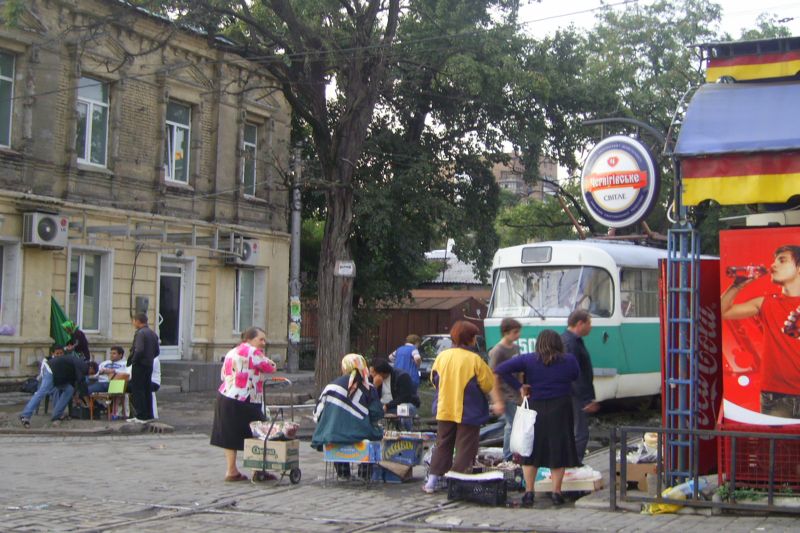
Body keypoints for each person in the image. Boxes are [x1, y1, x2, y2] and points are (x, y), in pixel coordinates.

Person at [493, 329, 580, 507]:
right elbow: (575, 376)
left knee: (530, 450)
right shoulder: (569, 359)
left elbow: (500, 370)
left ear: (538, 343)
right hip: (560, 408)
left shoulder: (528, 359)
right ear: (558, 343)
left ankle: (529, 493)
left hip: (535, 409)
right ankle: (556, 493)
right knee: (558, 450)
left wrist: (520, 386)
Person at [722, 245, 800, 418]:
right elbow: (721, 311)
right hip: (776, 394)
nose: (773, 265)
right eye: (774, 260)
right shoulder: (767, 303)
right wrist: (737, 286)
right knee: (775, 445)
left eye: (782, 260)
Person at [423, 321, 494, 494]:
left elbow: (433, 380)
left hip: (444, 407)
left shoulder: (442, 357)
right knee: (465, 447)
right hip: (468, 410)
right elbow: (487, 384)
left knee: (443, 444)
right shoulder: (475, 360)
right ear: (470, 339)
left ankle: (432, 481)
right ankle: (456, 481)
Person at [210, 327, 277, 482]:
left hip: (225, 396)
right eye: (261, 339)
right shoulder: (252, 352)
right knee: (256, 433)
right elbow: (271, 367)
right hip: (245, 398)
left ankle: (231, 470)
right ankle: (258, 470)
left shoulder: (231, 352)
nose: (263, 343)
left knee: (230, 434)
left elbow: (223, 374)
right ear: (249, 339)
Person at [312, 353, 384, 479]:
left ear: (344, 368)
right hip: (361, 434)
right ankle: (364, 474)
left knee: (336, 437)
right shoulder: (369, 388)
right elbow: (376, 414)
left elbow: (317, 413)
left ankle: (343, 473)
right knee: (376, 435)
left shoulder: (330, 387)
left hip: (332, 434)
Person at [561, 309, 600, 463]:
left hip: (573, 395)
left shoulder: (571, 340)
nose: (591, 327)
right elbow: (574, 375)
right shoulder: (570, 343)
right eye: (589, 323)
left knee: (575, 431)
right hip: (575, 396)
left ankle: (572, 463)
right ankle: (574, 464)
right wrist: (586, 400)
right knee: (580, 433)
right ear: (580, 324)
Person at [489, 317, 522, 461]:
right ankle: (508, 455)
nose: (518, 335)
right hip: (505, 393)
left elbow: (520, 371)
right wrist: (497, 400)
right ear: (506, 333)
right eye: (515, 332)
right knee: (512, 423)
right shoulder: (498, 351)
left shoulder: (515, 348)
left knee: (516, 423)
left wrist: (522, 389)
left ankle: (514, 452)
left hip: (516, 392)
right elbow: (493, 376)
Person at [369, 357, 421, 430]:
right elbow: (370, 398)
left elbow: (404, 397)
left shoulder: (401, 376)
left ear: (381, 373)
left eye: (373, 372)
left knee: (404, 409)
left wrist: (387, 406)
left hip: (401, 405)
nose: (371, 374)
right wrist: (375, 387)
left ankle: (407, 432)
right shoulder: (372, 379)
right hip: (382, 406)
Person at [19, 345, 65, 427]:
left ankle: (57, 414)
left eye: (61, 353)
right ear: (53, 353)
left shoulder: (63, 360)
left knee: (56, 390)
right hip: (44, 381)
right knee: (41, 393)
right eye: (57, 353)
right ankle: (25, 415)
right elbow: (44, 375)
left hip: (53, 384)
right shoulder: (47, 361)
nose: (59, 355)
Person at [127, 313, 160, 423]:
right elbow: (157, 351)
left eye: (134, 321)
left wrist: (134, 360)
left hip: (140, 365)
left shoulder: (140, 333)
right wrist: (149, 358)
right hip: (148, 365)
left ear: (137, 321)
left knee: (138, 390)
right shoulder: (153, 333)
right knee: (147, 389)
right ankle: (148, 414)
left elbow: (139, 349)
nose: (133, 323)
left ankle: (140, 415)